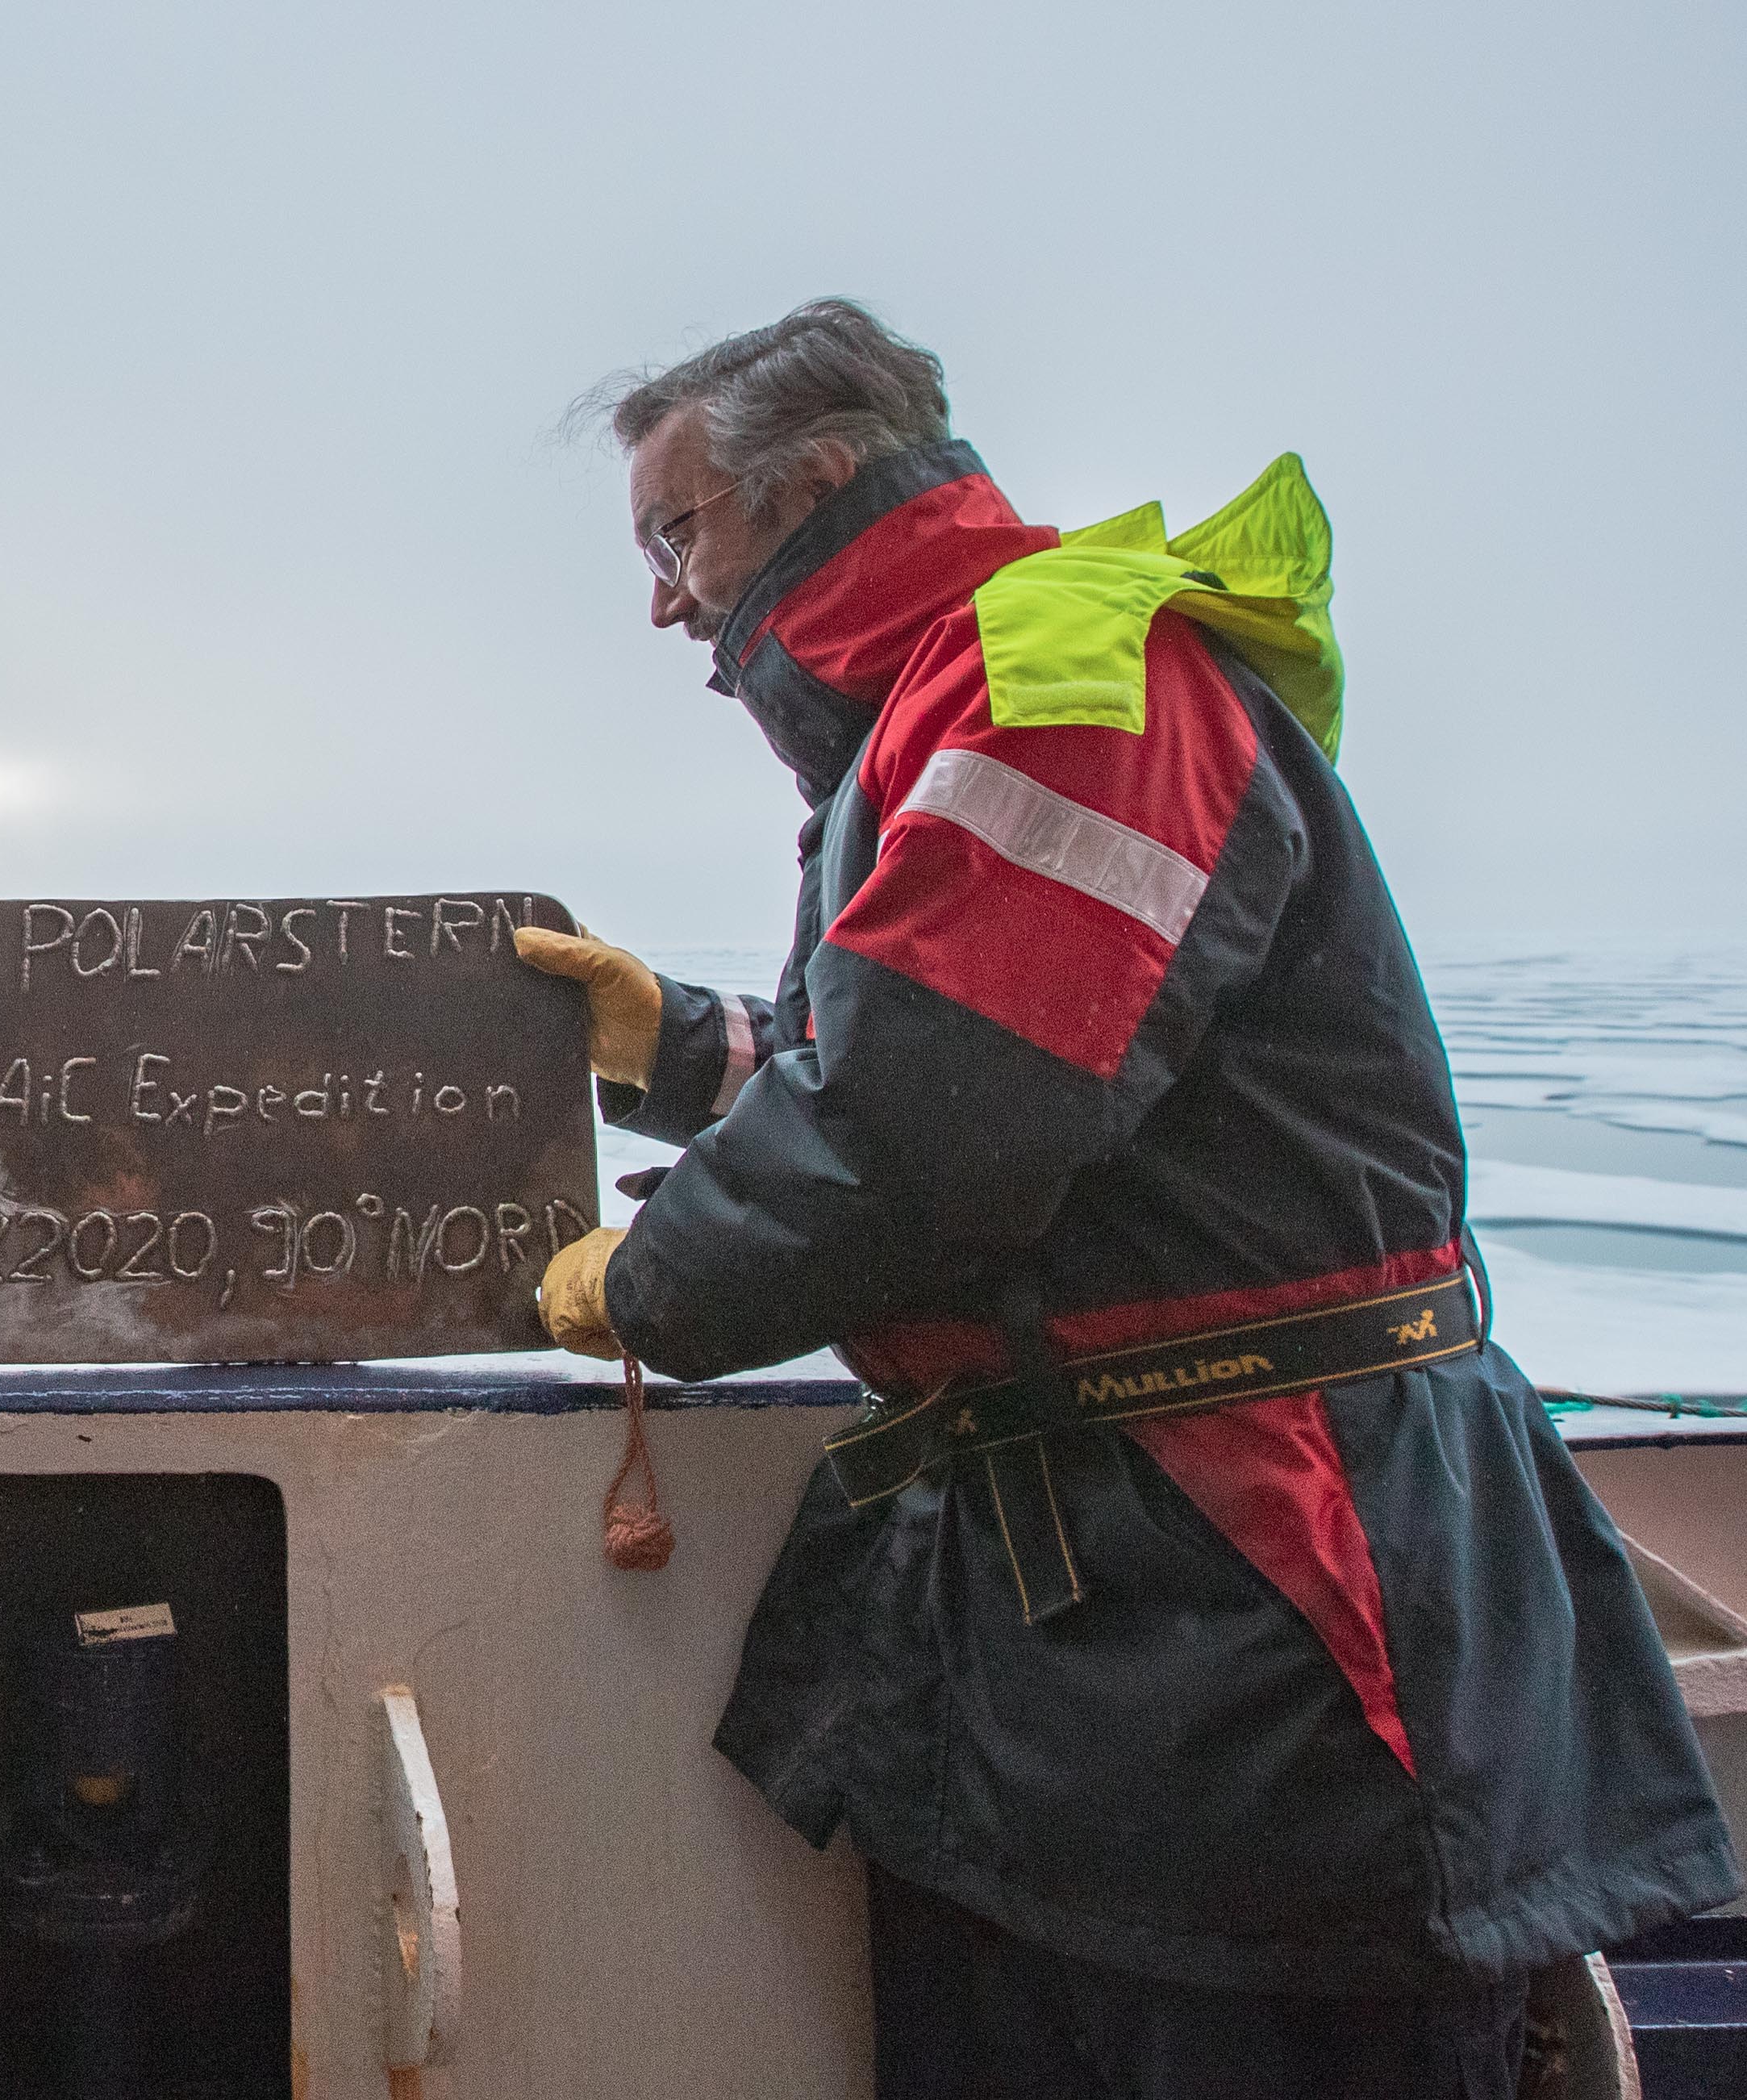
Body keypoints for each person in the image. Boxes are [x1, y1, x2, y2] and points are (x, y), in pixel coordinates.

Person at [518, 302, 1738, 2097]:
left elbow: (941, 1128)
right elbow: (1026, 1065)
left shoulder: (1063, 678)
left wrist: (654, 1282)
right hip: (1108, 1653)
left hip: (1256, 1622)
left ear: (824, 482)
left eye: (673, 531)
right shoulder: (964, 692)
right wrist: (693, 1054)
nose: (661, 598)